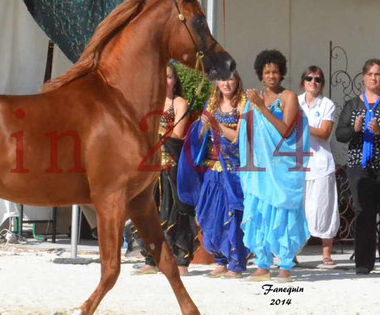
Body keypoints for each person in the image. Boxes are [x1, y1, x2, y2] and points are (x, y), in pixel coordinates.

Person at [239, 49, 310, 283]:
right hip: (260, 169)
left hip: (282, 168)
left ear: (282, 74)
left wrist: (261, 107)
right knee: (260, 212)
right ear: (260, 75)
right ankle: (262, 263)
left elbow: (285, 129)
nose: (271, 76)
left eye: (275, 72)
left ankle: (285, 265)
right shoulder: (253, 99)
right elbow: (244, 134)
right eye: (267, 72)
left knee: (283, 212)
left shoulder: (288, 97)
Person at [177, 71, 249, 278]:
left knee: (233, 214)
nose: (226, 83)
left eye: (231, 79)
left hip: (233, 170)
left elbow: (239, 137)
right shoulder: (212, 102)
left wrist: (216, 126)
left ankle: (236, 262)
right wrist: (201, 126)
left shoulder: (243, 104)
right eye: (223, 79)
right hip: (211, 168)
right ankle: (221, 260)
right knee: (209, 213)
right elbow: (201, 136)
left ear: (237, 81)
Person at [130, 61, 198, 276]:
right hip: (149, 165)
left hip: (171, 164)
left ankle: (181, 261)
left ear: (174, 80)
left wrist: (153, 129)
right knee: (147, 210)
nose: (165, 81)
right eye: (162, 76)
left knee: (176, 210)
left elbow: (177, 133)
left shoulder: (179, 103)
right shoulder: (149, 103)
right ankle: (150, 259)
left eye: (169, 77)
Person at [335, 58, 380, 275]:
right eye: (370, 74)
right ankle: (363, 264)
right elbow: (340, 135)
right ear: (363, 77)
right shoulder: (353, 104)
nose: (374, 78)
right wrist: (354, 128)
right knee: (364, 212)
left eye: (378, 74)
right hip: (358, 165)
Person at [298, 66, 340, 269]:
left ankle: (326, 253)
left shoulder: (328, 104)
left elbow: (324, 133)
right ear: (303, 82)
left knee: (324, 207)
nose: (313, 82)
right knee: (297, 209)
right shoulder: (293, 102)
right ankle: (292, 252)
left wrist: (300, 124)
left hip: (321, 164)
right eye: (309, 78)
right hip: (297, 163)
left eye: (317, 79)